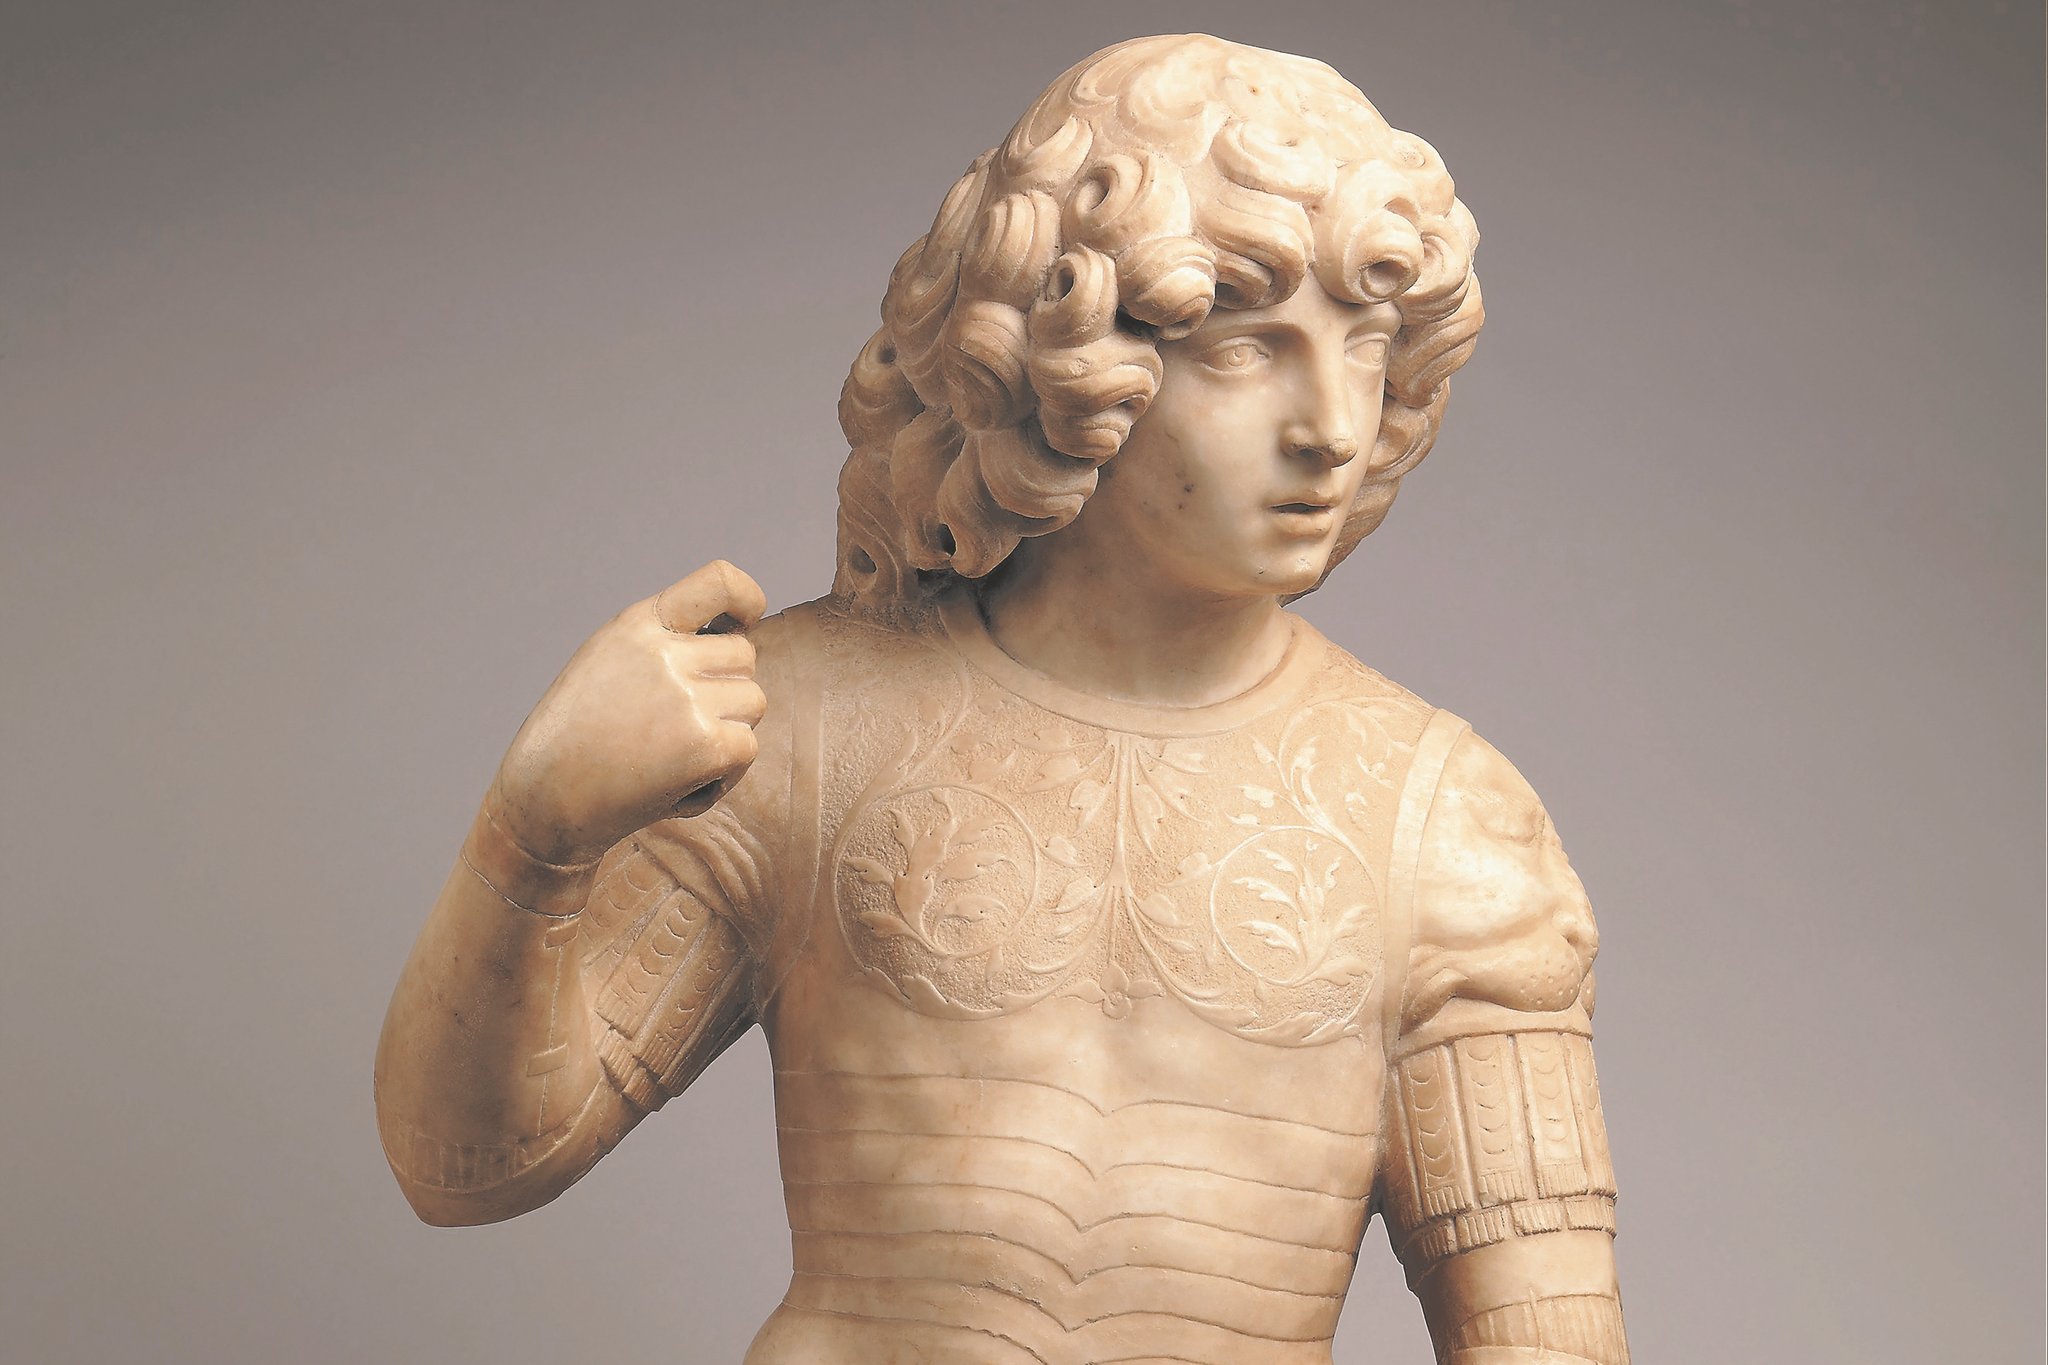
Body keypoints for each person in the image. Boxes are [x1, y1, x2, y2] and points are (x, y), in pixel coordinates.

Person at [376, 34, 1629, 1365]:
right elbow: (471, 1163)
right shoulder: (801, 728)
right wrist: (535, 835)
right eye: (1248, 350)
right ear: (1064, 351)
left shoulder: (1448, 829)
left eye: (1367, 349)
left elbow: (1547, 1339)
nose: (1331, 423)